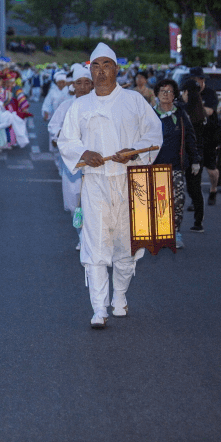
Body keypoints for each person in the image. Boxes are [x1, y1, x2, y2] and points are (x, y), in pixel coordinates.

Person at [58, 43, 162, 329]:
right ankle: (98, 308)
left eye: (107, 65)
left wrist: (135, 150)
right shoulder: (80, 106)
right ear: (90, 70)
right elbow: (66, 140)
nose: (101, 71)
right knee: (94, 244)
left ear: (117, 69)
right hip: (94, 184)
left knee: (126, 245)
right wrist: (83, 154)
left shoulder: (134, 101)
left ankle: (120, 297)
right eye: (96, 66)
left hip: (130, 182)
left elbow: (153, 133)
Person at [48, 63, 93, 249]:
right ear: (73, 85)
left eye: (86, 82)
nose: (82, 86)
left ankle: (89, 238)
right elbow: (53, 127)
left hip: (94, 162)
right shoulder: (66, 105)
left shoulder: (98, 105)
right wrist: (58, 137)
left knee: (92, 201)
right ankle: (81, 234)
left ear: (92, 85)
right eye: (78, 83)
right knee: (75, 202)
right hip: (72, 163)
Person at [152, 79, 200, 248]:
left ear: (174, 95)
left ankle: (175, 232)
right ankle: (162, 233)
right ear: (157, 94)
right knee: (161, 201)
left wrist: (195, 160)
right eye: (162, 91)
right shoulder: (151, 115)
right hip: (156, 166)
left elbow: (190, 138)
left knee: (178, 200)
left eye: (169, 92)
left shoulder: (180, 114)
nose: (166, 95)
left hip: (177, 166)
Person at [189, 68, 221, 204]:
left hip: (209, 135)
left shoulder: (210, 94)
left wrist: (194, 108)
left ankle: (213, 189)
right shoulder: (188, 93)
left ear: (202, 80)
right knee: (195, 169)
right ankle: (195, 200)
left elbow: (209, 110)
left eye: (196, 80)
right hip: (194, 135)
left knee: (211, 169)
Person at [180, 79, 207, 232]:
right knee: (195, 188)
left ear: (187, 93)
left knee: (184, 188)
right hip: (198, 155)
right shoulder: (201, 111)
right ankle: (198, 222)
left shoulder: (184, 111)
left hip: (186, 154)